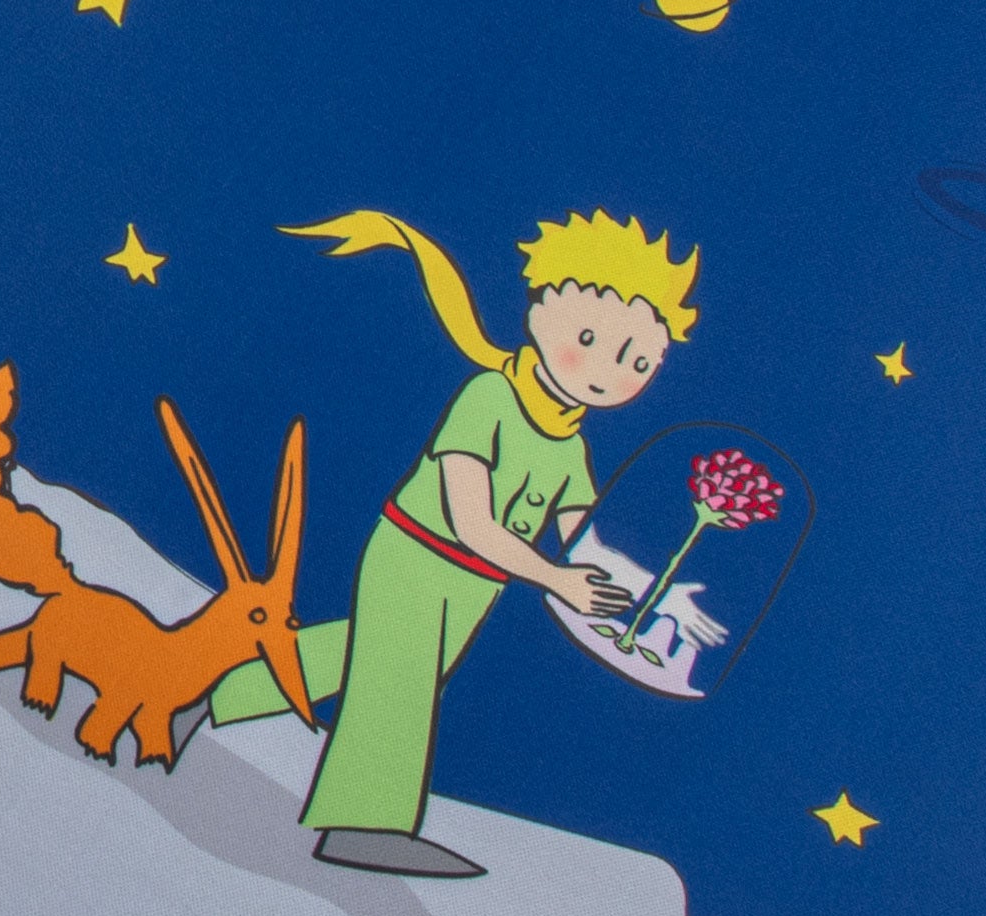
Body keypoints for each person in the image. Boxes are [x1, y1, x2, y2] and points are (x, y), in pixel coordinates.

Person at [210, 205, 698, 877]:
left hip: (477, 585)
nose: (605, 370)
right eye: (588, 337)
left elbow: (583, 541)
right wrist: (556, 580)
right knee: (400, 682)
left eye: (637, 360)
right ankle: (362, 824)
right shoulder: (488, 398)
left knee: (358, 657)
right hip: (415, 556)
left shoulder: (571, 446)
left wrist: (652, 593)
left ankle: (209, 688)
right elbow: (471, 522)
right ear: (539, 316)